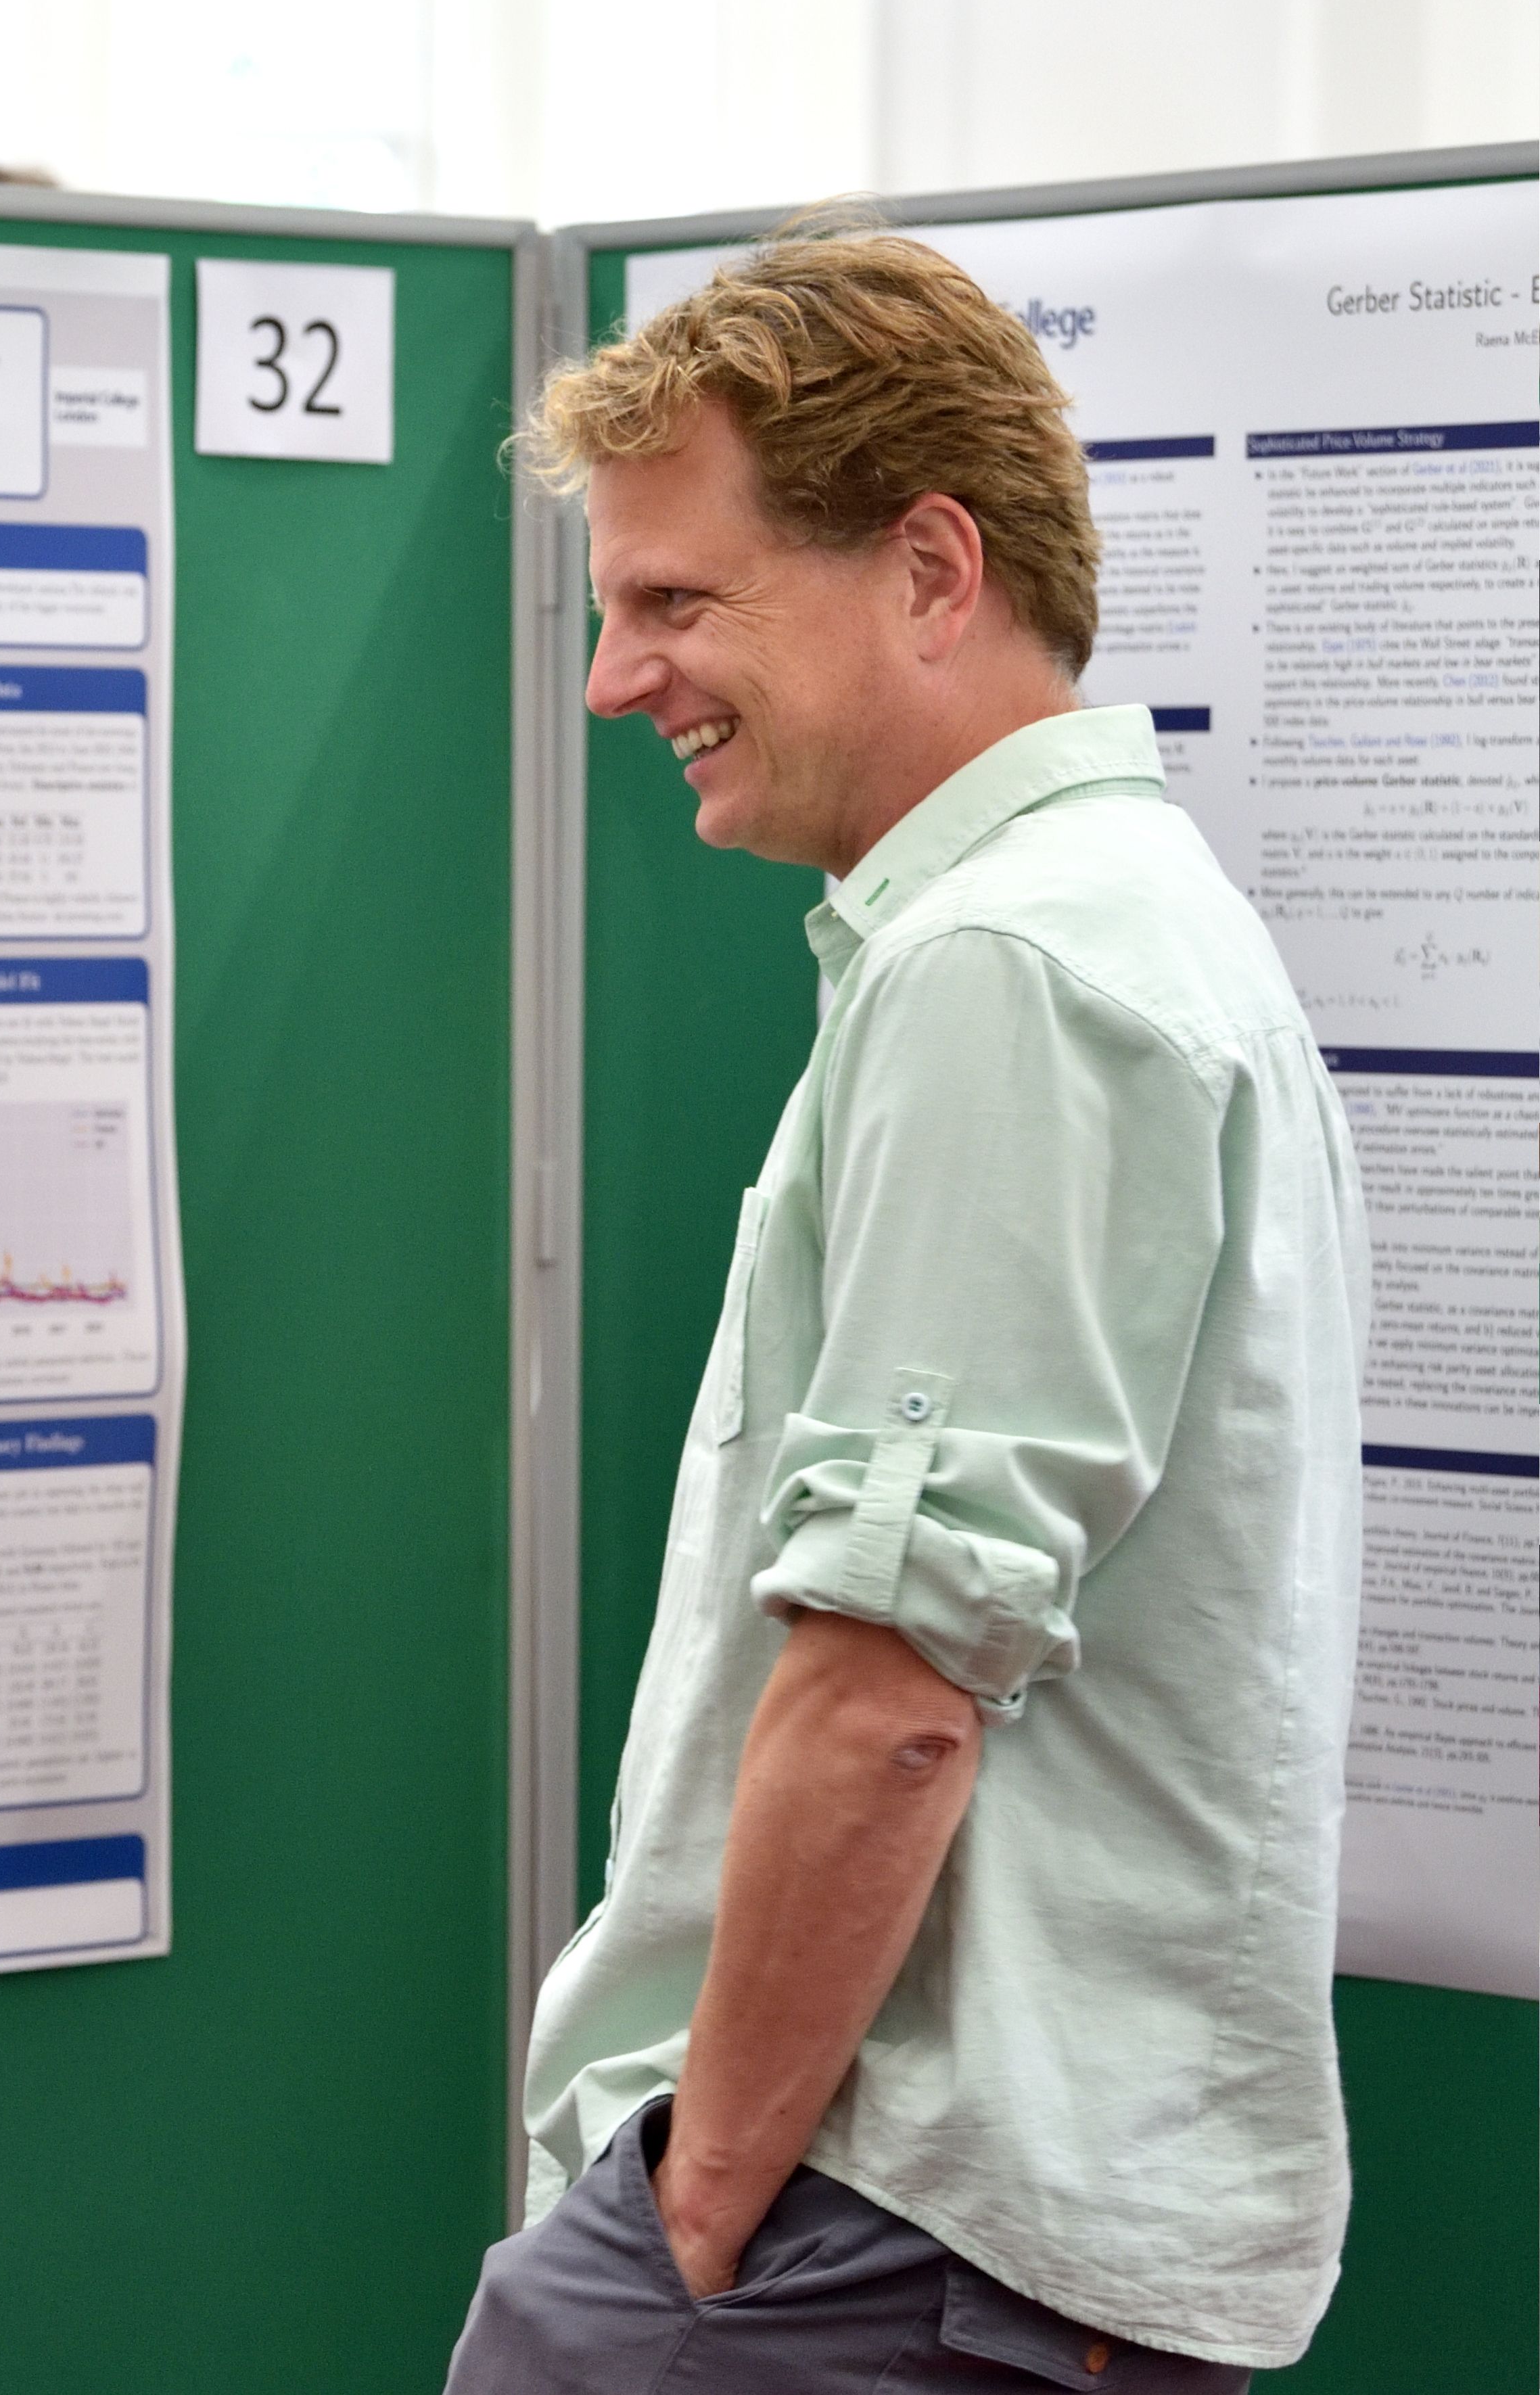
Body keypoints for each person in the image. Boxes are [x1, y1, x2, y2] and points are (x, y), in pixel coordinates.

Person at [452, 225, 1366, 2388]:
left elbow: (896, 1696)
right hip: (973, 2235)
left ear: (933, 572)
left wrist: (694, 2219)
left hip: (874, 2223)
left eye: (678, 602)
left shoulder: (1010, 971)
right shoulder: (1137, 926)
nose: (615, 679)